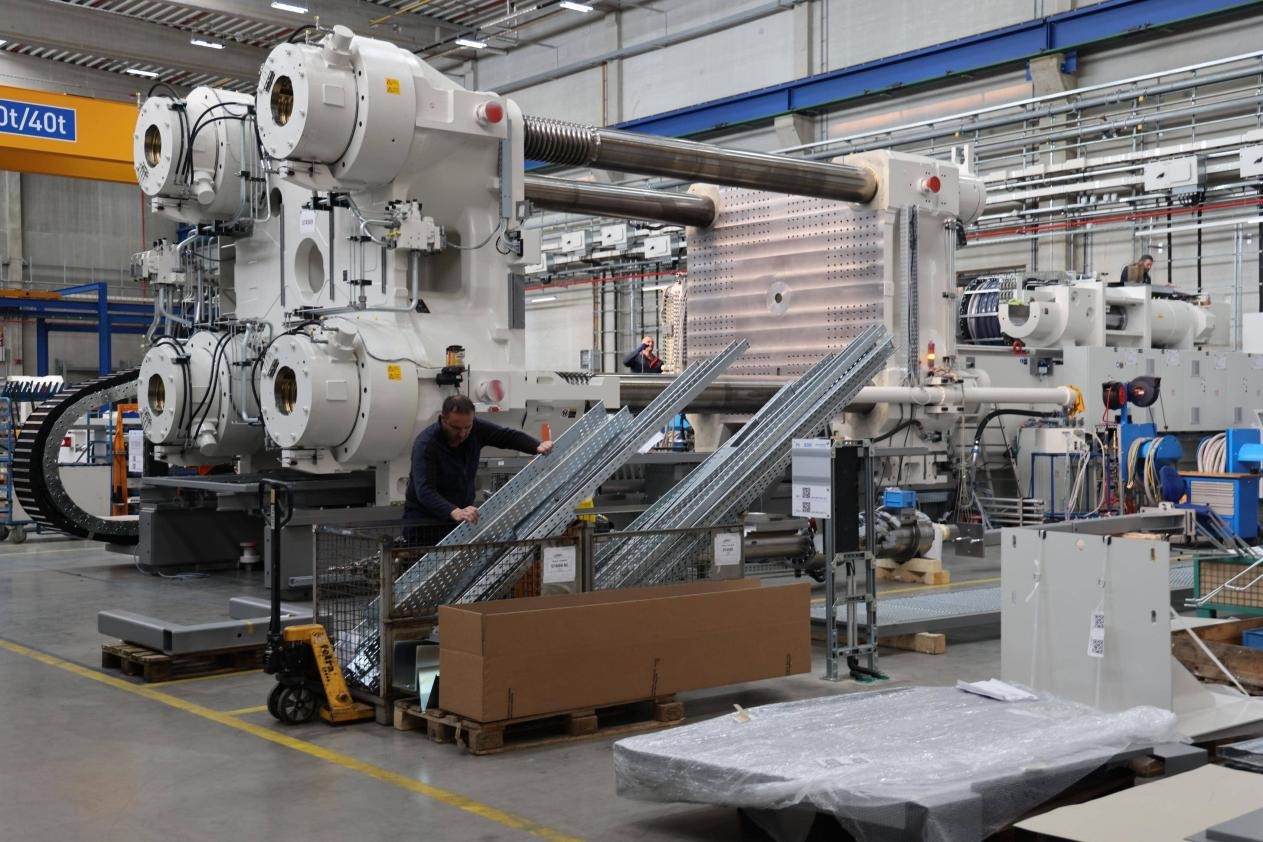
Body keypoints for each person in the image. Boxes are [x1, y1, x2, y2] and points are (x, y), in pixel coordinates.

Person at [403, 394, 554, 544]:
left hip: (460, 521)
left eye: (467, 427)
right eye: (456, 428)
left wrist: (536, 446)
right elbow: (425, 490)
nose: (462, 434)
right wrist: (454, 511)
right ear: (443, 419)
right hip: (425, 525)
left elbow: (506, 436)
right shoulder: (426, 445)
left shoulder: (476, 428)